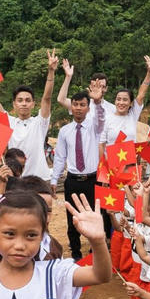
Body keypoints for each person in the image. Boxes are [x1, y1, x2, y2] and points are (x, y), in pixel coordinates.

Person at [0, 49, 58, 182]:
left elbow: (47, 98)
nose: (24, 104)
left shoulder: (40, 123)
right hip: (14, 178)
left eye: (28, 100)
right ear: (14, 104)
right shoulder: (9, 122)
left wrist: (51, 71)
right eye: (20, 100)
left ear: (33, 104)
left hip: (39, 178)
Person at [50, 91, 100, 260]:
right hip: (72, 181)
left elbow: (101, 116)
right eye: (75, 105)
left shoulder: (96, 127)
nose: (78, 108)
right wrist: (54, 179)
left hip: (93, 180)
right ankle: (76, 254)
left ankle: (95, 252)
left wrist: (98, 100)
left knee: (94, 216)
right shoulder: (64, 131)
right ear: (71, 107)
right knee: (73, 218)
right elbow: (60, 157)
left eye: (82, 105)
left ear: (88, 107)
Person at [99, 55, 150, 151]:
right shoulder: (107, 119)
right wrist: (101, 165)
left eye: (125, 100)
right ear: (115, 101)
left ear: (131, 103)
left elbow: (141, 95)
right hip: (112, 164)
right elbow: (101, 145)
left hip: (130, 164)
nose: (121, 102)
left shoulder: (133, 115)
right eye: (118, 99)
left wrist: (149, 73)